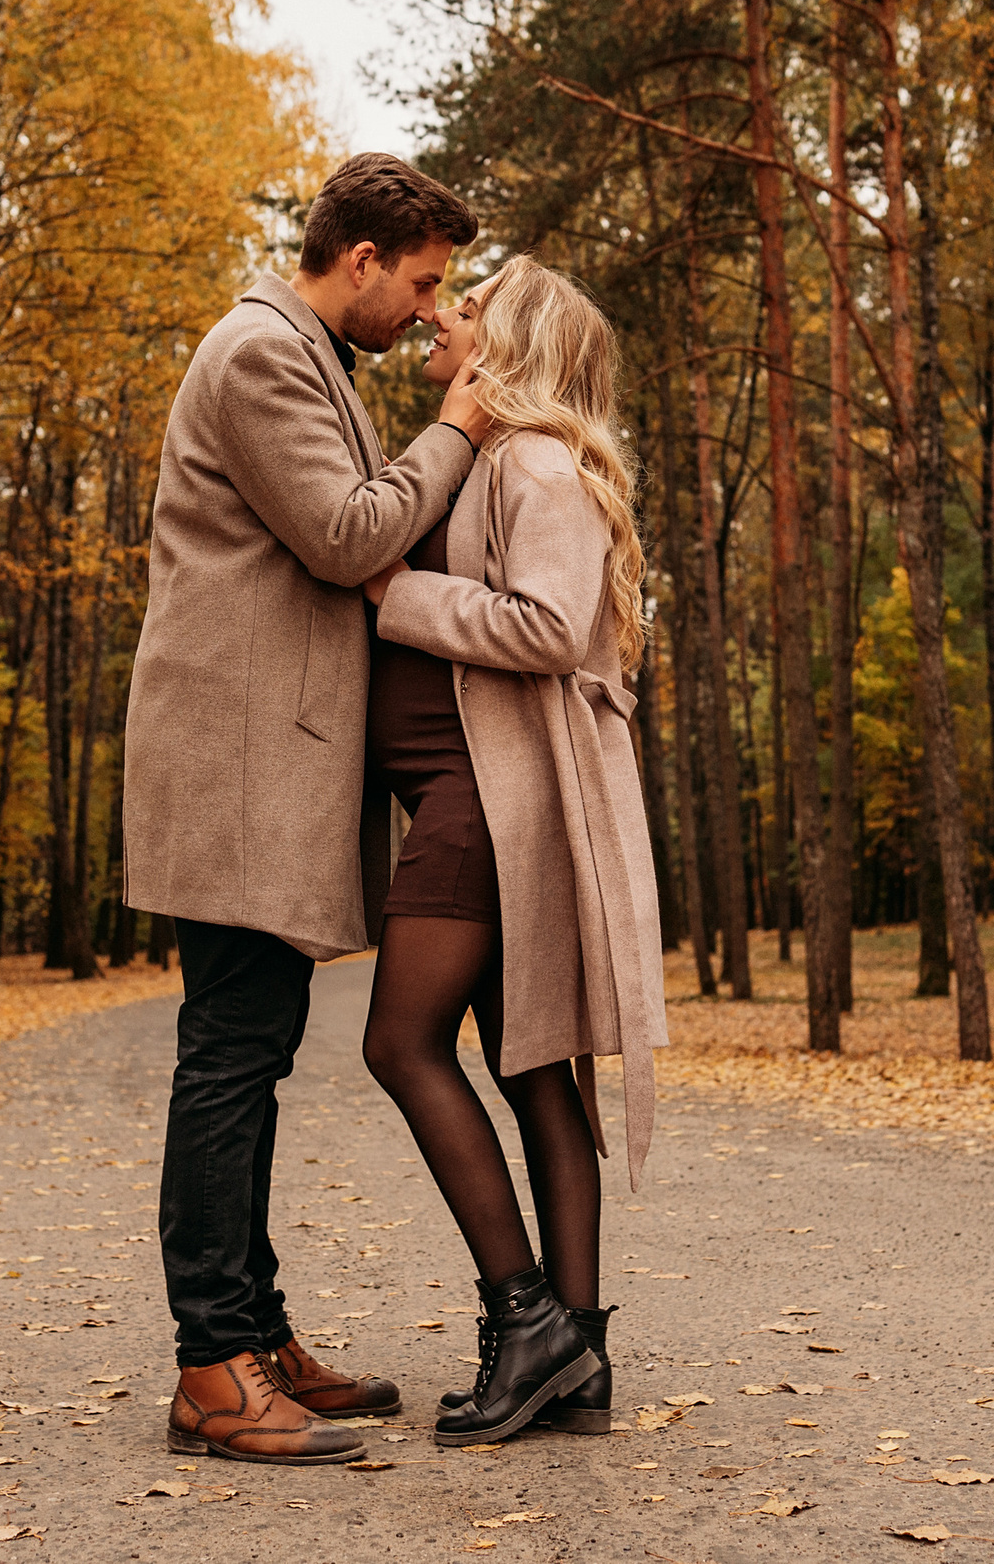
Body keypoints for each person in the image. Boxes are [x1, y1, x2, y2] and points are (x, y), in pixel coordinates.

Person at [123, 153, 491, 1467]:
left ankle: (253, 1331)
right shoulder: (262, 354)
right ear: (365, 258)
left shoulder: (305, 355)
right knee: (230, 1049)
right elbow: (346, 535)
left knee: (253, 1044)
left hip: (258, 759)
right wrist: (465, 427)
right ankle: (212, 1368)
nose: (426, 311)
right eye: (425, 283)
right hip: (233, 764)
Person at [358, 255, 668, 1447]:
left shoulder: (534, 463)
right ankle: (576, 1363)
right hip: (476, 792)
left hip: (480, 799)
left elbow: (545, 628)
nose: (441, 313)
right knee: (533, 1067)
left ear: (512, 349)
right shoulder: (500, 463)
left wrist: (395, 592)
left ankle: (526, 1314)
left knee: (401, 1041)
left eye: (468, 305)